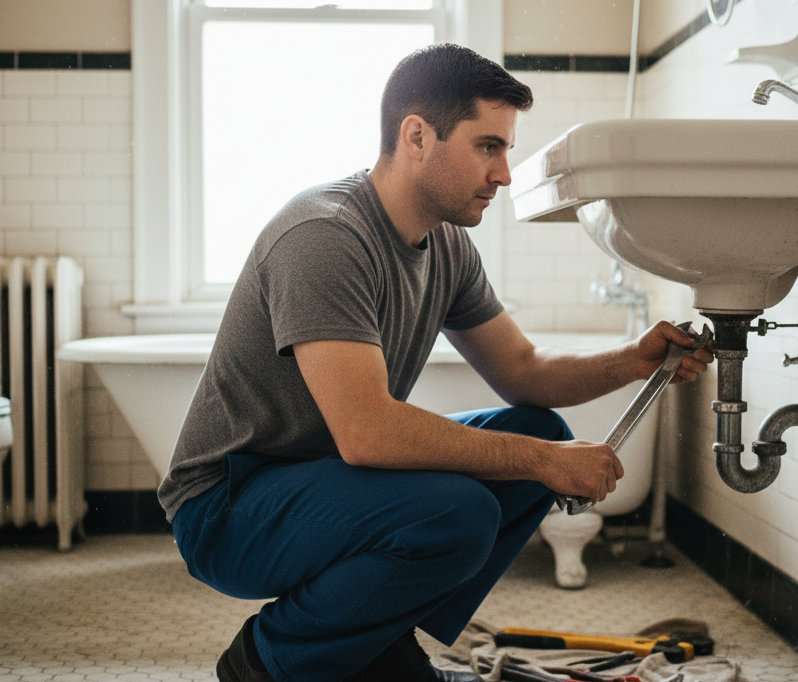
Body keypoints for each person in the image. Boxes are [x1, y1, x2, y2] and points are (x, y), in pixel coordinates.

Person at [158, 43, 713, 682]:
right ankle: (266, 663)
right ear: (417, 136)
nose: (505, 174)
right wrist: (546, 465)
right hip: (229, 506)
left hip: (319, 478)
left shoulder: (446, 244)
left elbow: (524, 371)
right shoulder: (324, 236)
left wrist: (631, 360)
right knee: (465, 510)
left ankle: (375, 638)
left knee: (540, 430)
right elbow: (367, 433)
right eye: (488, 146)